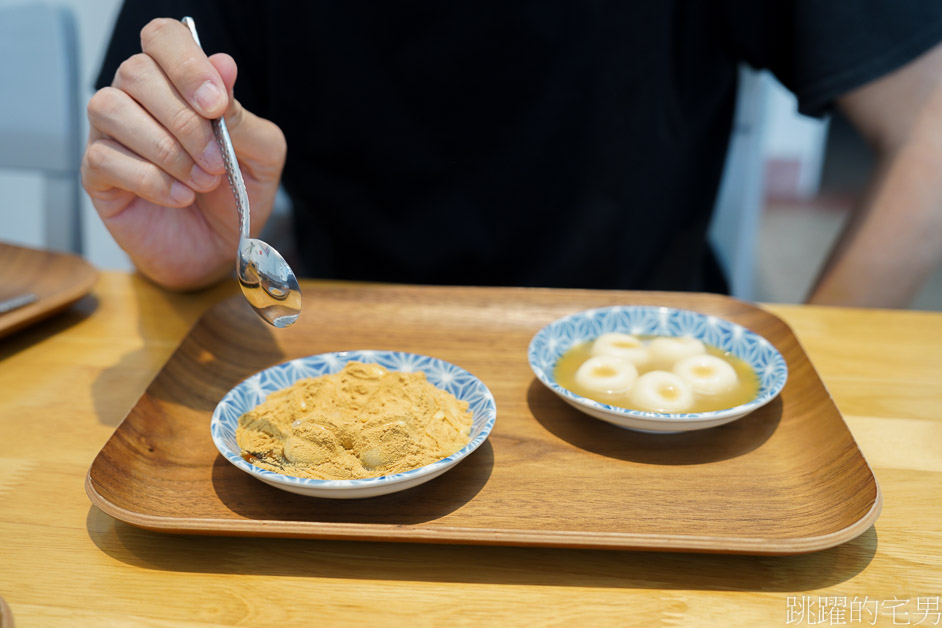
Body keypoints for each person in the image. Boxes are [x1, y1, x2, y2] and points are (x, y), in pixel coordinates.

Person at [82, 1, 942, 307]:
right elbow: (165, 176)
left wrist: (808, 364)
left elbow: (928, 126)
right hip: (337, 358)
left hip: (644, 370)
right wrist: (201, 251)